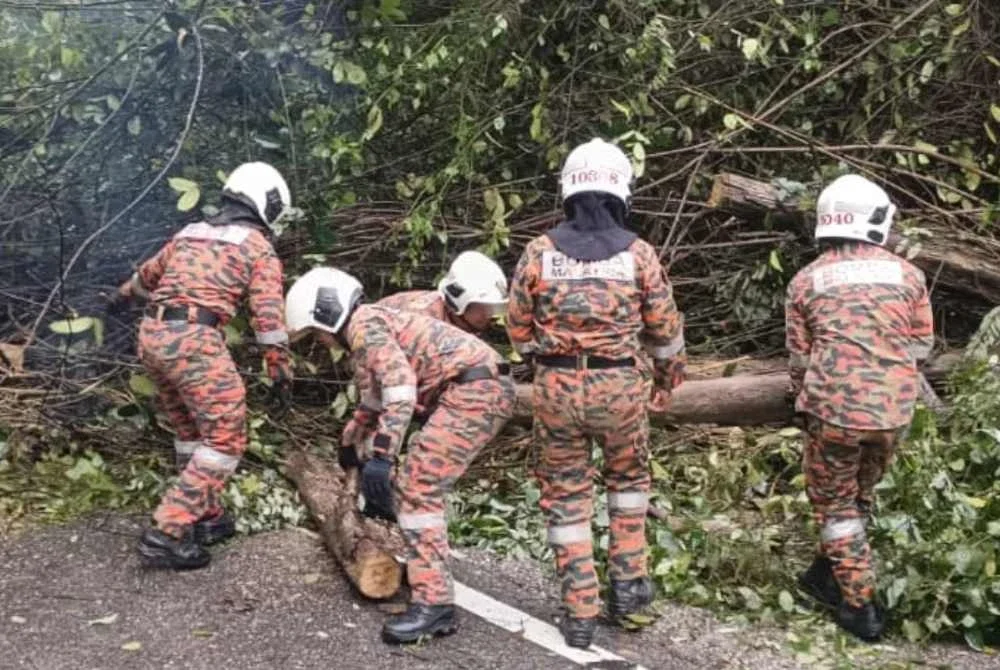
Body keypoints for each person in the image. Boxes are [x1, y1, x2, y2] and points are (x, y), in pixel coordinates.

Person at [506, 138, 686, 649]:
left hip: (557, 388)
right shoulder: (639, 255)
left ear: (569, 189)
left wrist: (542, 361)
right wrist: (669, 379)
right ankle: (628, 582)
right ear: (619, 190)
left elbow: (518, 330)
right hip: (621, 388)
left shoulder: (539, 252)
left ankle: (579, 610)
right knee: (628, 484)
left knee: (565, 496)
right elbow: (667, 331)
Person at [284, 267, 515, 644]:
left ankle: (435, 604)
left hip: (474, 393)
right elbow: (377, 394)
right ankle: (426, 573)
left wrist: (381, 455)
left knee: (418, 489)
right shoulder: (372, 322)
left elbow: (401, 388)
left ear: (328, 311)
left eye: (316, 332)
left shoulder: (363, 326)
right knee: (415, 487)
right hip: (476, 389)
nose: (323, 342)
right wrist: (353, 435)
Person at [112, 162, 293, 570]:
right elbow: (268, 321)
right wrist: (279, 371)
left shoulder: (190, 232)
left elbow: (144, 279)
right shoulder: (256, 246)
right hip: (195, 341)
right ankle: (167, 532)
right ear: (268, 204)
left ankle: (204, 517)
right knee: (226, 440)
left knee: (190, 432)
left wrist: (116, 301)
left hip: (153, 336)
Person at [786, 174, 934, 641]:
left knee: (834, 507)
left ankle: (860, 606)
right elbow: (922, 346)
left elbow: (799, 361)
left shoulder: (806, 280)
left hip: (834, 413)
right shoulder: (908, 274)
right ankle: (824, 573)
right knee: (859, 496)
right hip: (893, 412)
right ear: (878, 220)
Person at [377, 250, 508, 335]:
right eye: (482, 307)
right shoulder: (421, 324)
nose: (488, 314)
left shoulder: (464, 322)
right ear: (459, 303)